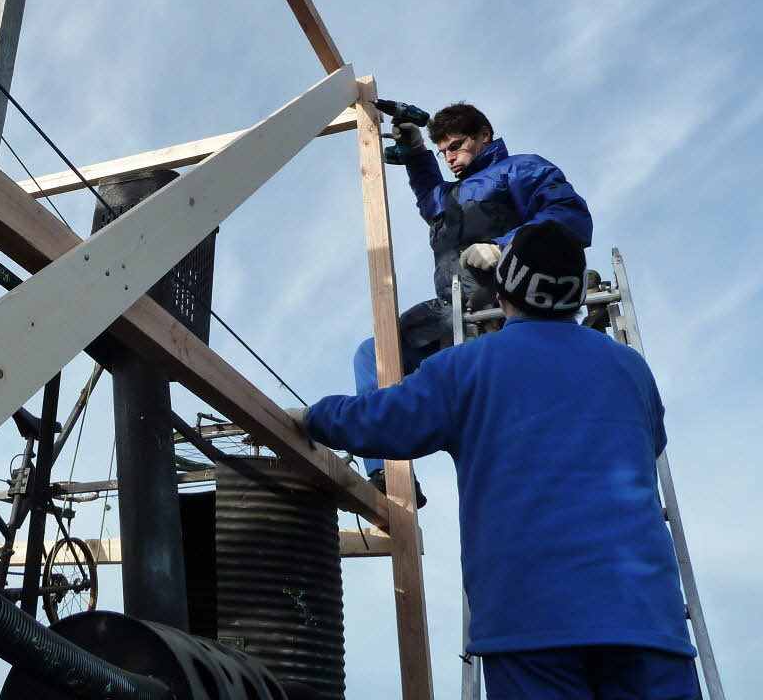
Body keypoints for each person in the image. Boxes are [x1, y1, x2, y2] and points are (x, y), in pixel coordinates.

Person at [293, 221, 698, 699]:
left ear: (503, 292)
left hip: (531, 620)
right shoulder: (631, 368)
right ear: (574, 297)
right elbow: (650, 445)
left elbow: (380, 422)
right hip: (649, 620)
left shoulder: (467, 367)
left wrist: (313, 416)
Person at [353, 102, 593, 503]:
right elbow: (429, 194)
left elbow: (570, 216)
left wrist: (503, 246)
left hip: (508, 311)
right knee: (374, 355)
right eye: (443, 151)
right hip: (451, 311)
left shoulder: (520, 169)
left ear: (485, 134)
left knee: (497, 428)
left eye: (458, 146)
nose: (450, 158)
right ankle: (387, 474)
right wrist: (415, 151)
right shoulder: (448, 194)